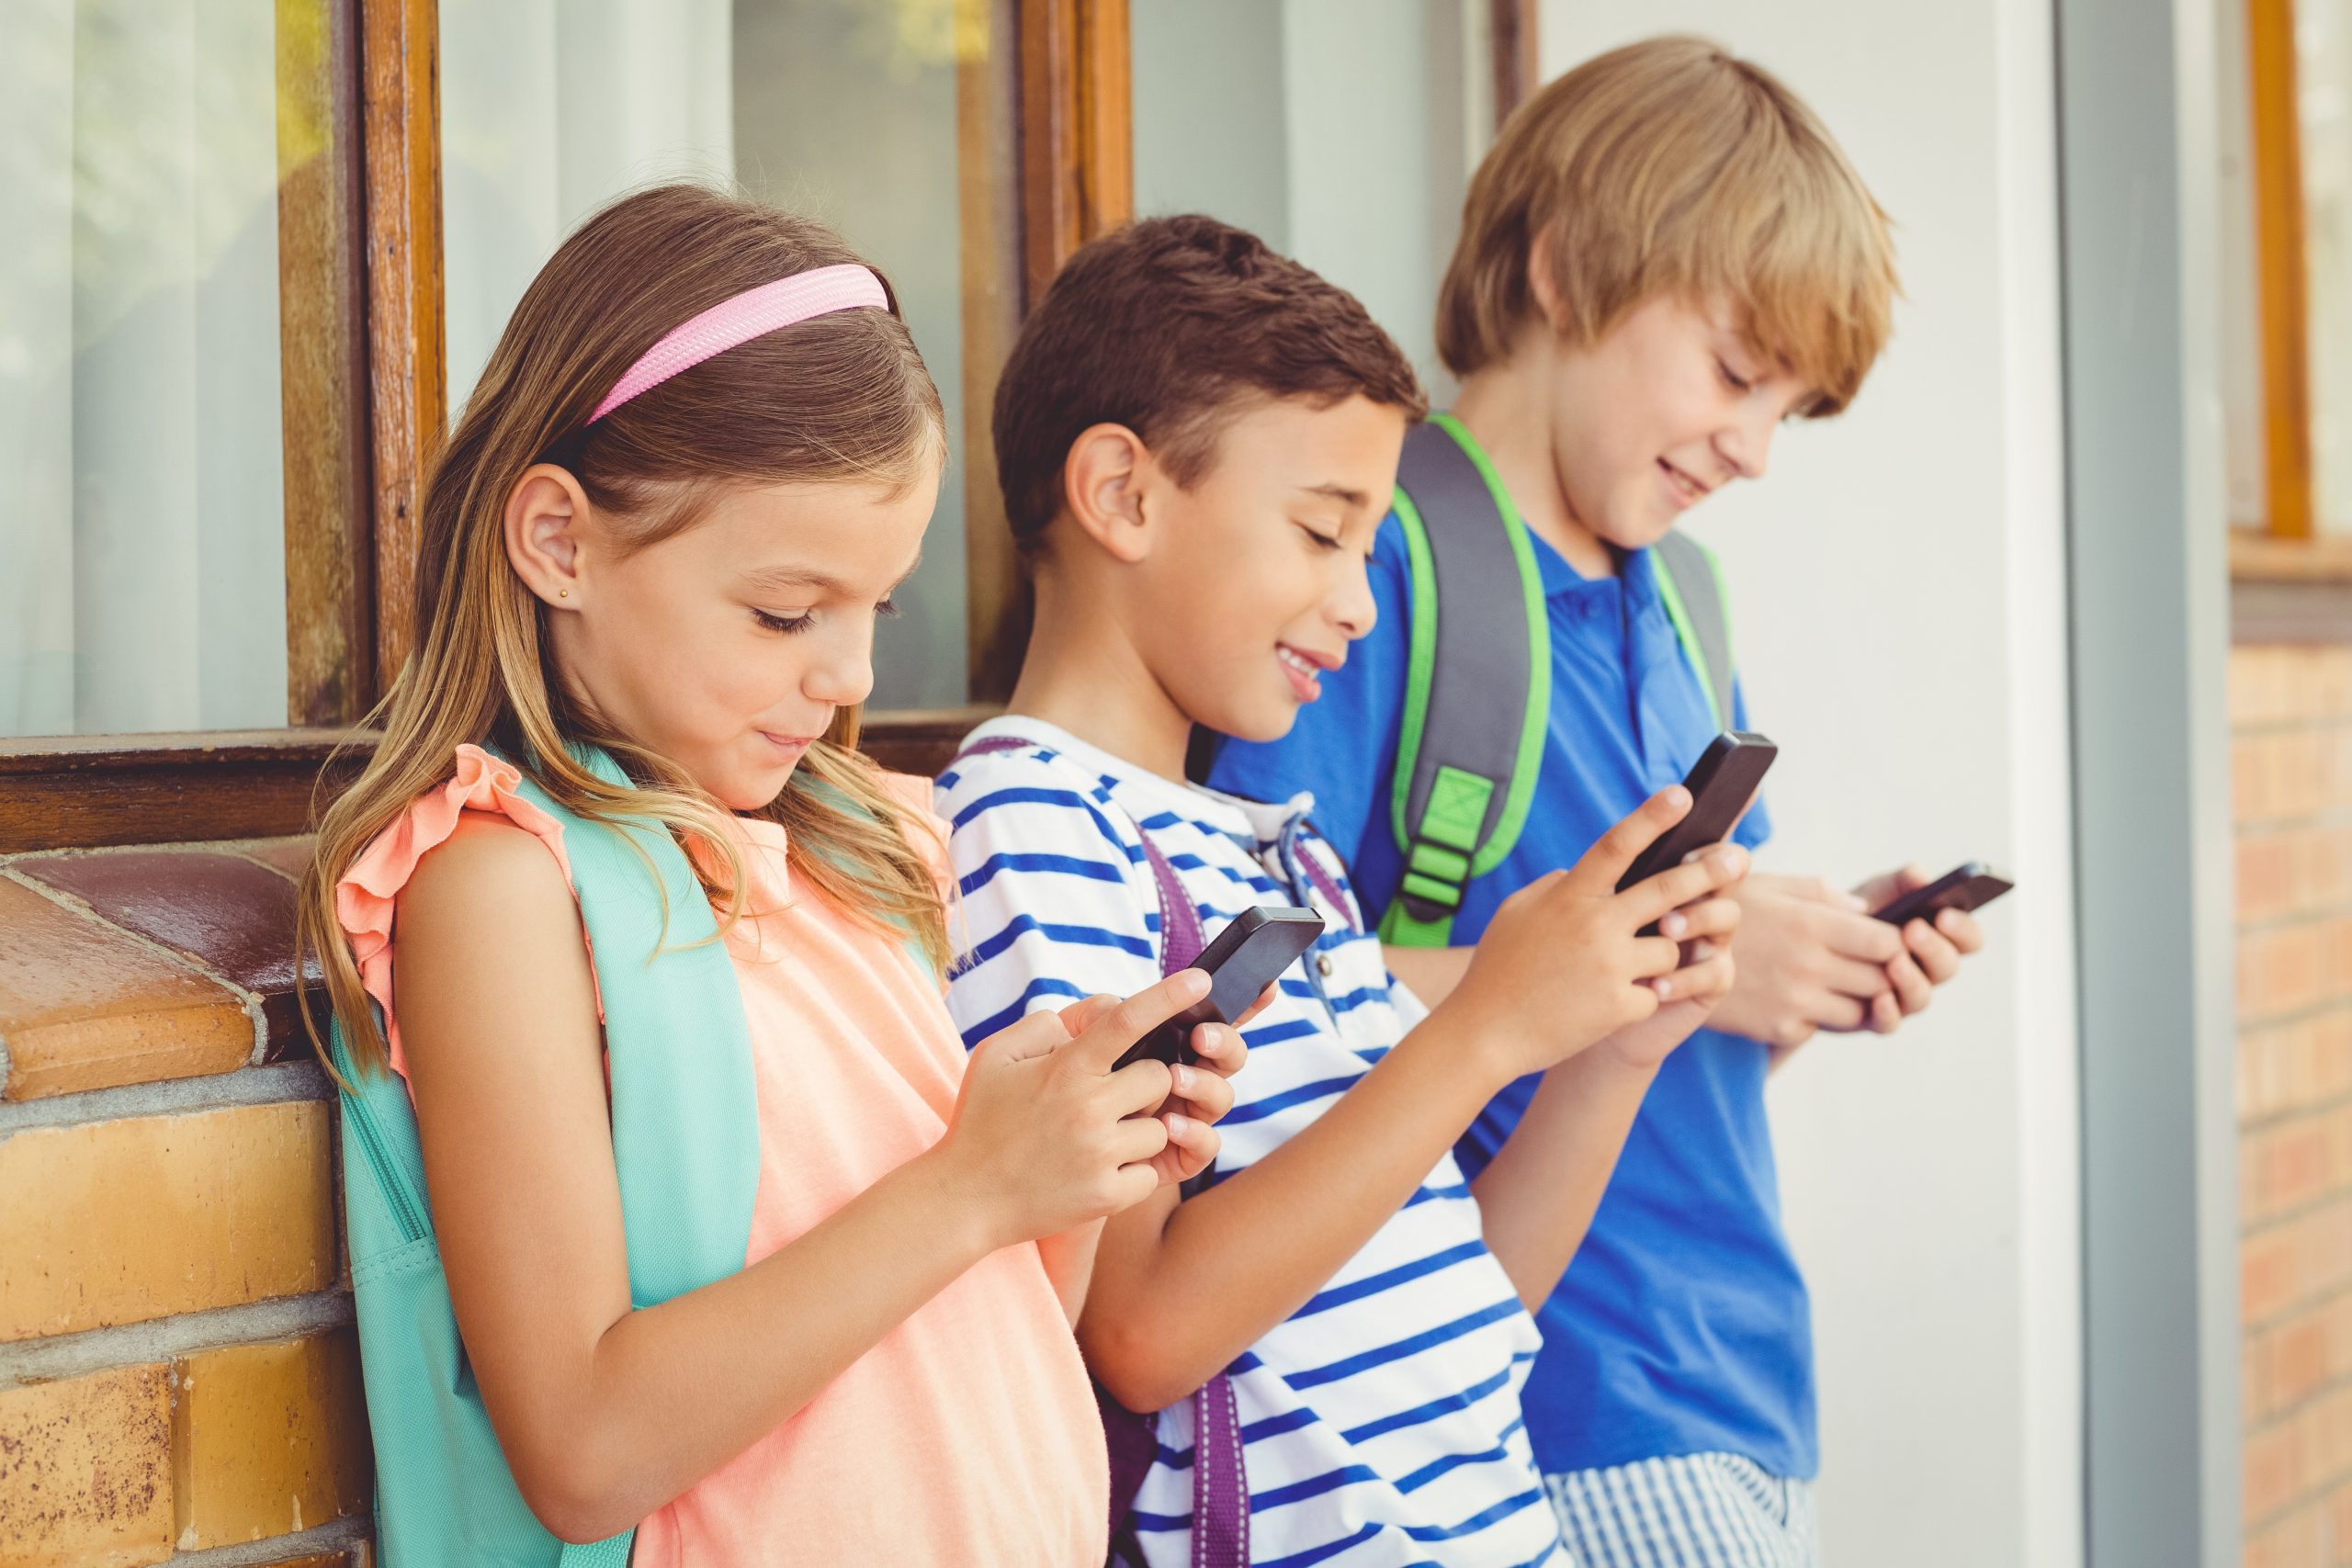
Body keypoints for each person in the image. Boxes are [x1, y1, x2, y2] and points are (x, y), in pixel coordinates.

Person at [295, 184, 1245, 1567]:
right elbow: (582, 1449)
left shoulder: (859, 858)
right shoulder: (503, 889)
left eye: (875, 608)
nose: (849, 676)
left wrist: (1070, 1172)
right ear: (559, 541)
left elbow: (976, 1327)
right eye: (787, 611)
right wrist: (971, 1188)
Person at [1209, 38, 1988, 1566]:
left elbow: (1650, 1046)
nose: (1755, 450)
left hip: (1742, 1379)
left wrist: (1792, 977)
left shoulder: (1682, 602)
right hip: (1542, 1397)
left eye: (1793, 409)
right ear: (1565, 274)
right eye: (1735, 374)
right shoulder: (1370, 577)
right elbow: (1242, 979)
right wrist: (1664, 966)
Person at [941, 212, 1748, 1567]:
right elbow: (1138, 1330)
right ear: (1123, 496)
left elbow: (1469, 1290)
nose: (1360, 604)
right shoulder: (1032, 819)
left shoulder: (1281, 850)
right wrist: (1484, 1024)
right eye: (1323, 534)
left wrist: (1606, 1057)